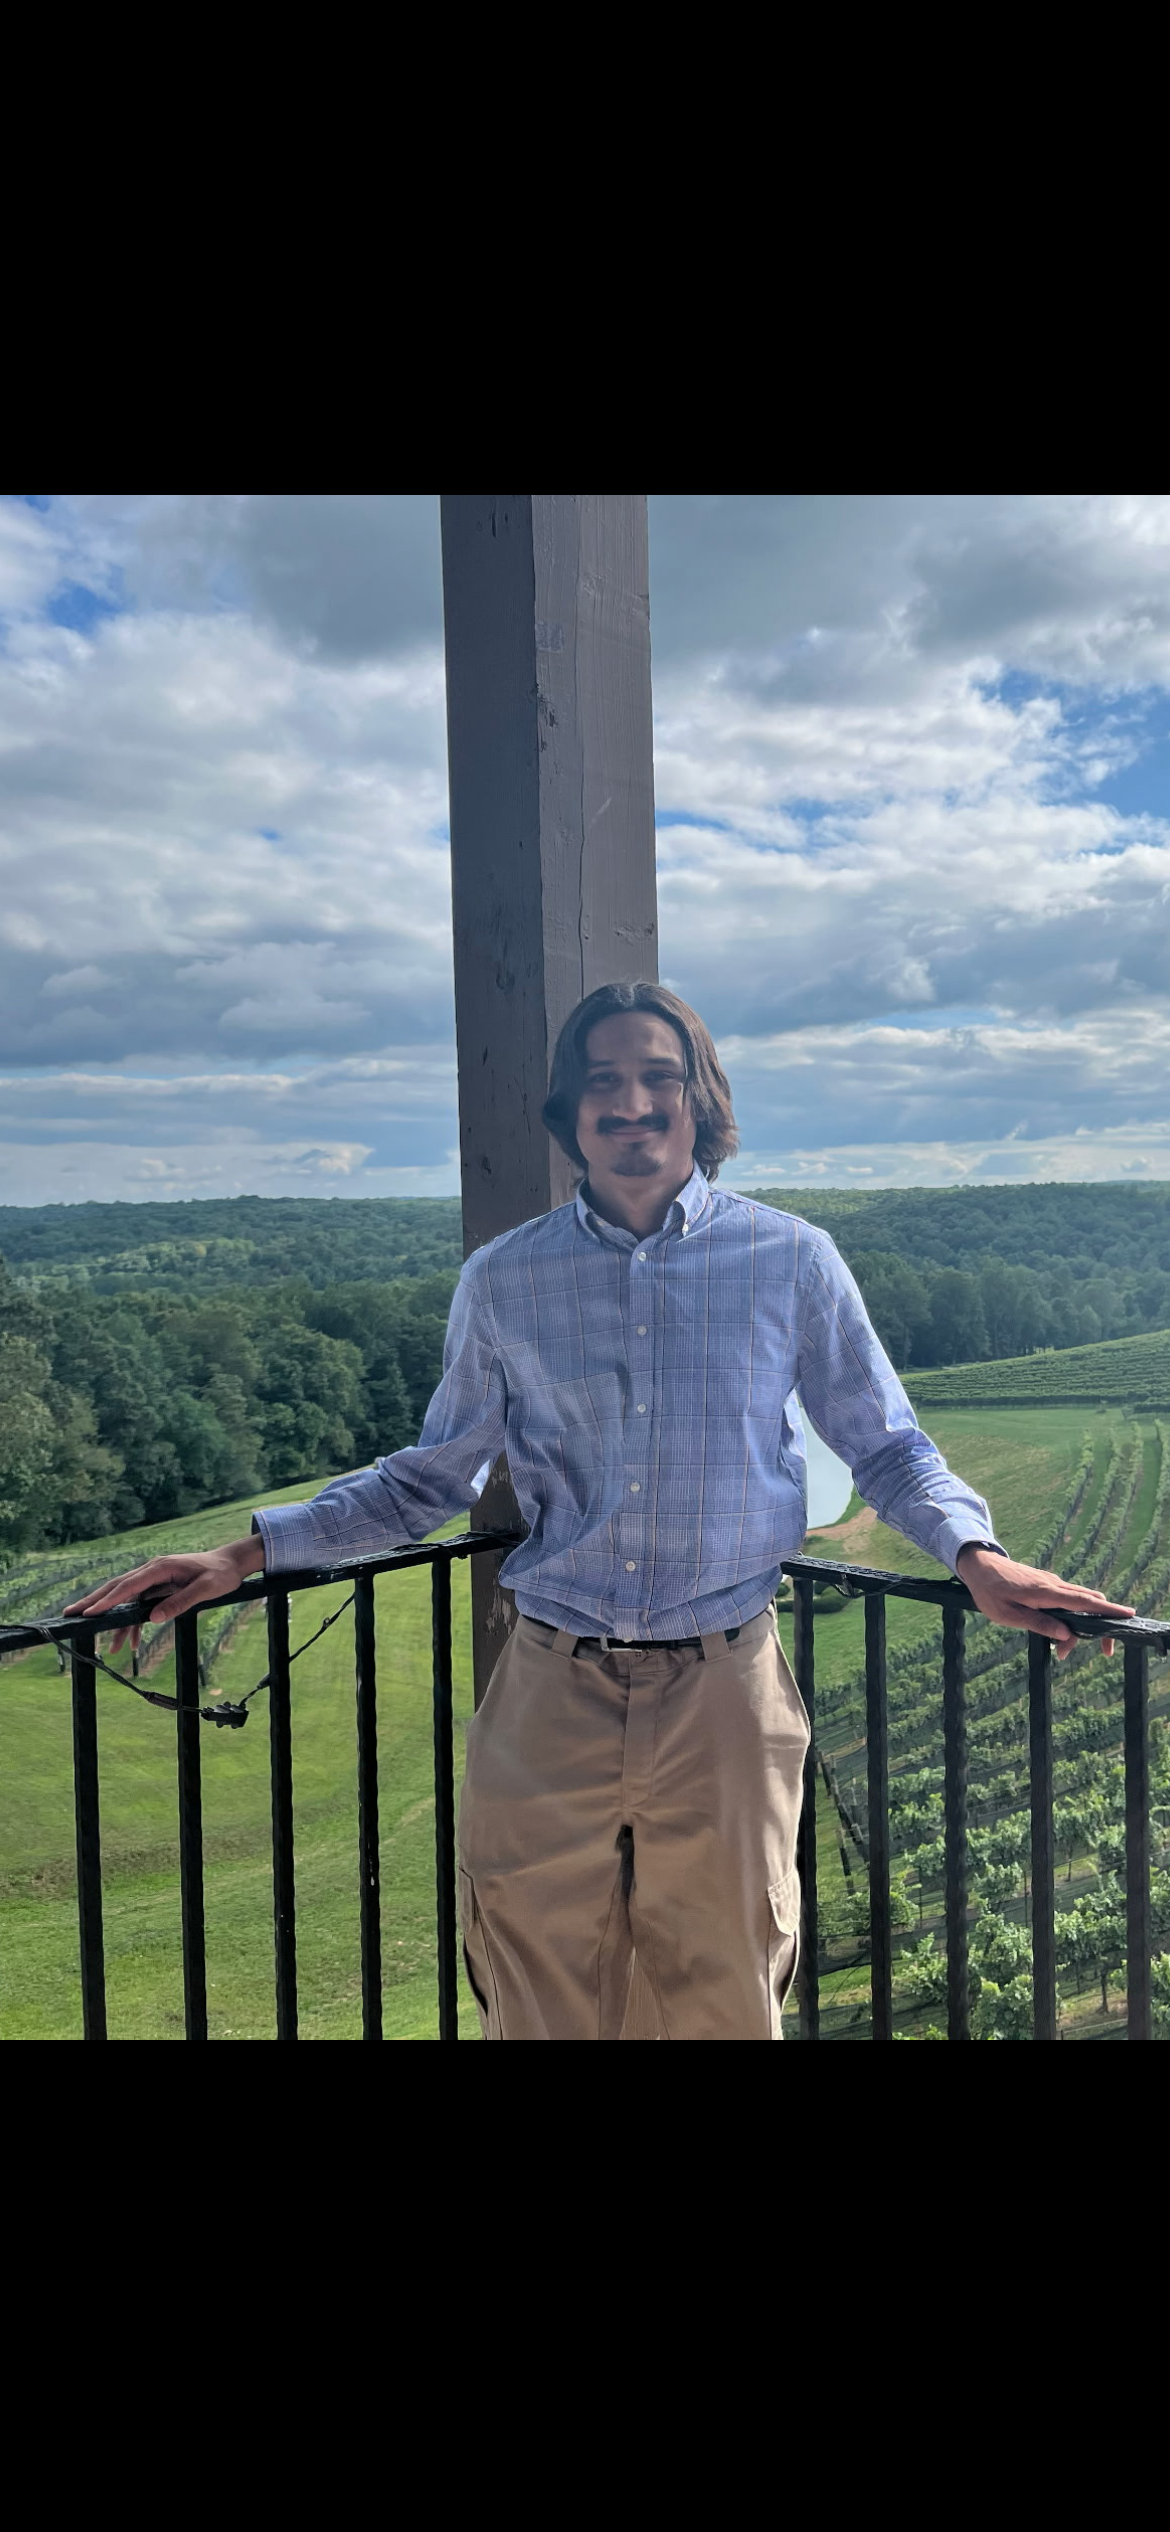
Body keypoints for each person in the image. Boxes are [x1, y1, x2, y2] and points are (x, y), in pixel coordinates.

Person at [68, 982, 1134, 2040]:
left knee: (726, 1998)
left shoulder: (791, 1260)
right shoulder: (504, 1282)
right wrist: (241, 1554)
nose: (631, 1105)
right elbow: (428, 1480)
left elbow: (887, 1446)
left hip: (725, 1690)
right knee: (535, 2004)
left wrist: (978, 1558)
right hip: (548, 1691)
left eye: (657, 1078)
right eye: (603, 1083)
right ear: (571, 1112)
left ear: (698, 1098)